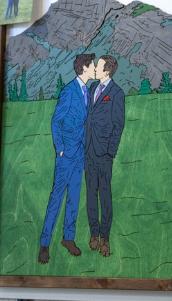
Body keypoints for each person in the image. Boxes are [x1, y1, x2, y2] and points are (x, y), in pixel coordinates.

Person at [38, 54, 95, 264]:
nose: (94, 69)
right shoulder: (69, 91)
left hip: (80, 154)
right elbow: (56, 121)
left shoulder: (87, 91)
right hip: (66, 155)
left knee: (74, 198)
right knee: (56, 199)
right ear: (84, 69)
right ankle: (44, 244)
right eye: (92, 66)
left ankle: (68, 239)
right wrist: (60, 148)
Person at [84, 55, 126, 258]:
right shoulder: (92, 89)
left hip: (104, 153)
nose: (95, 70)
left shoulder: (116, 93)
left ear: (107, 71)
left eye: (98, 67)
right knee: (91, 194)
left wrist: (111, 151)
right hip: (89, 151)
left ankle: (105, 238)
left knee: (105, 196)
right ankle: (93, 233)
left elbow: (118, 124)